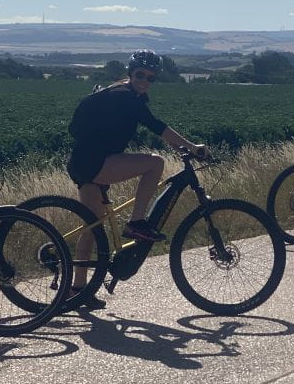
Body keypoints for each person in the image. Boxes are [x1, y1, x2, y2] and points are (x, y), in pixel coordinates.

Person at [66, 49, 207, 309]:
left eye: (150, 78)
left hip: (82, 162)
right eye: (140, 75)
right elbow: (158, 127)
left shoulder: (119, 92)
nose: (144, 81)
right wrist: (190, 147)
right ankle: (136, 222)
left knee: (92, 227)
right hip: (95, 163)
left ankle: (77, 289)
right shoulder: (128, 98)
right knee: (155, 163)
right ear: (131, 73)